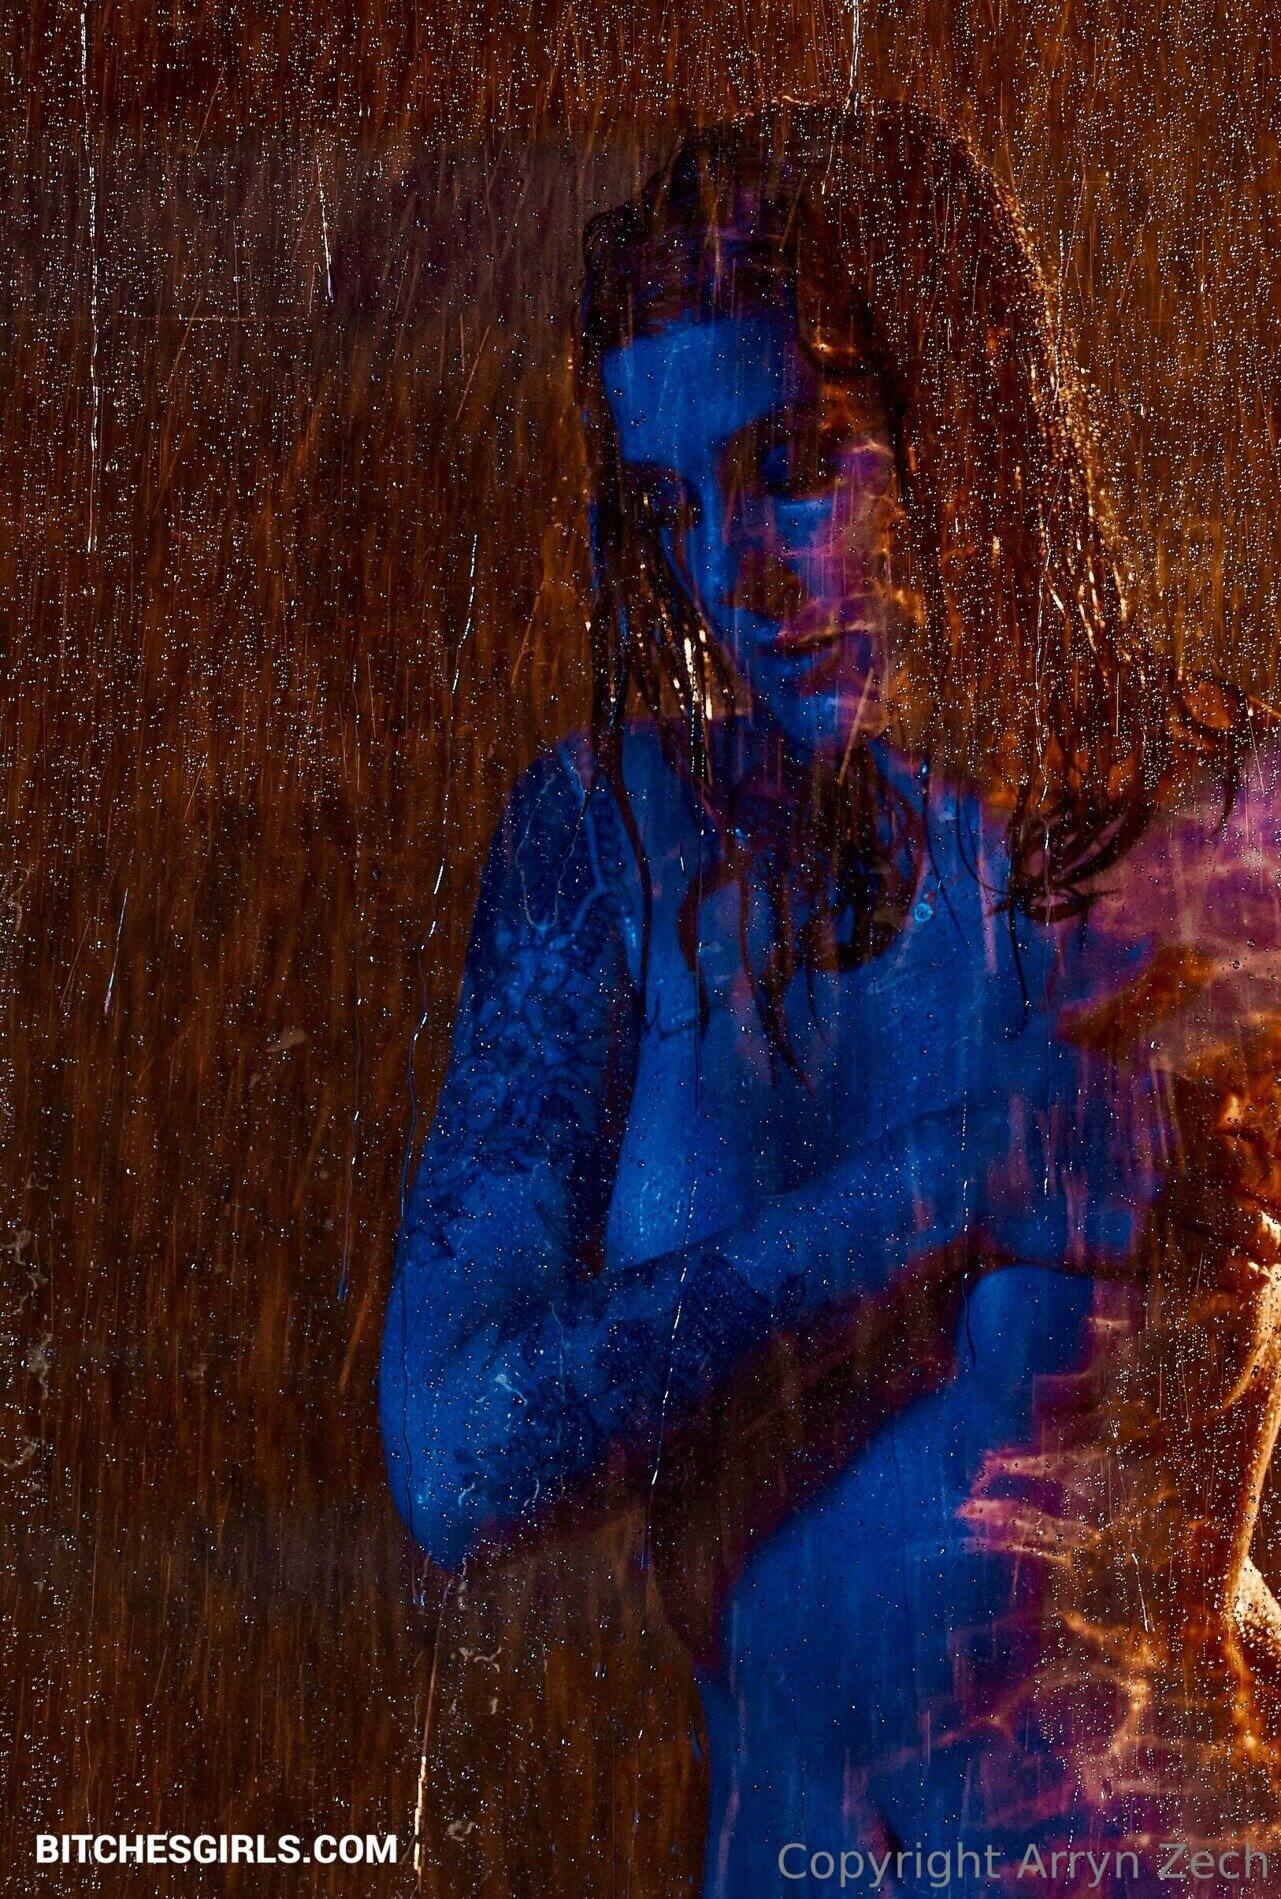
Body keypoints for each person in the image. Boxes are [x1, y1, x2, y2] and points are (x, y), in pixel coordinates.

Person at [380, 99, 1281, 1893]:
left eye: (793, 464)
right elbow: (460, 1466)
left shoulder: (1226, 830)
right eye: (674, 508)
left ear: (966, 422)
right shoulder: (617, 852)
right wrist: (945, 1180)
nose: (731, 576)